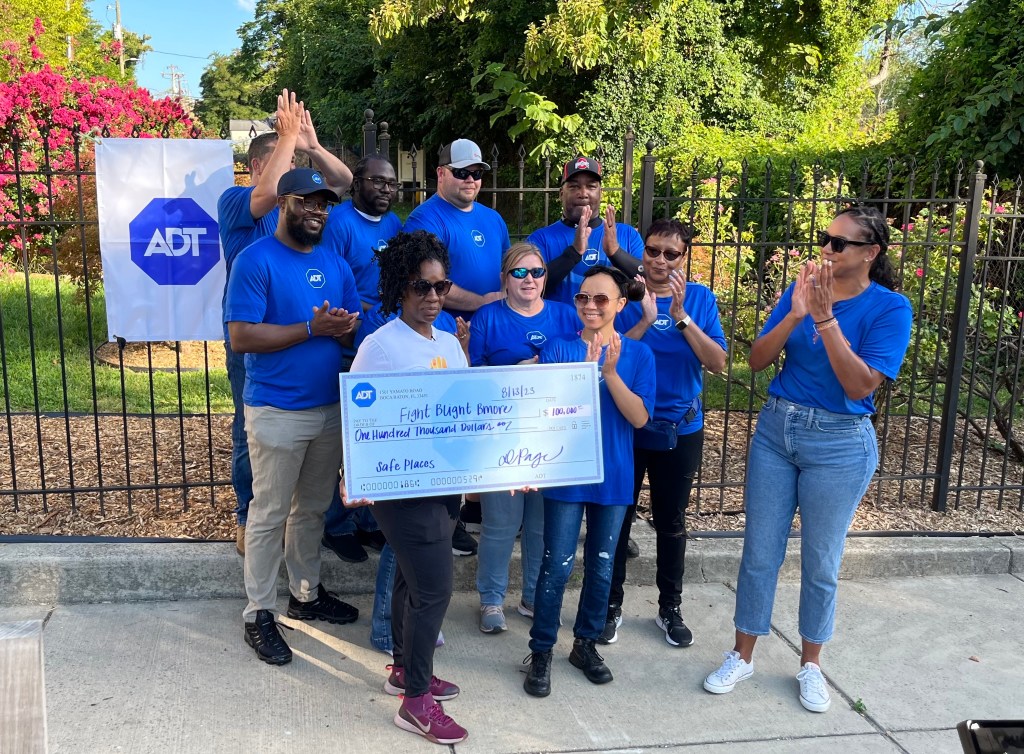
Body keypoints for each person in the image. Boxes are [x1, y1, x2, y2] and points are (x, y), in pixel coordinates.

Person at [702, 206, 912, 713]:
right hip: (778, 429)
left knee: (821, 561)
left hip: (839, 442)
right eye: (825, 239)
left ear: (870, 253)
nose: (827, 249)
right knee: (759, 553)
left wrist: (824, 318)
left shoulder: (890, 308)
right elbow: (756, 360)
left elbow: (861, 384)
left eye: (839, 243)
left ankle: (811, 664)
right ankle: (742, 653)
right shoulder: (801, 290)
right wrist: (797, 312)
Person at [224, 168, 362, 666]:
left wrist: (346, 327)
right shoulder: (255, 259)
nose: (317, 211)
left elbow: (345, 330)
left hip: (327, 408)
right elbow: (241, 336)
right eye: (306, 201)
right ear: (284, 202)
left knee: (312, 509)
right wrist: (311, 327)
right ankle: (258, 613)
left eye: (324, 203)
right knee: (269, 514)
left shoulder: (333, 259)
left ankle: (305, 595)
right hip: (277, 409)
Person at [217, 89, 353, 556]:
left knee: (310, 442)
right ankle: (247, 515)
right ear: (261, 164)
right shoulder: (236, 202)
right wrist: (286, 138)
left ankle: (299, 530)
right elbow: (269, 194)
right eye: (285, 160)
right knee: (248, 429)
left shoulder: (305, 210)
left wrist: (310, 146)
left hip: (309, 342)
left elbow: (344, 180)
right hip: (256, 334)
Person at [347, 230, 469, 745]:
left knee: (408, 584)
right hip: (402, 492)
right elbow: (358, 418)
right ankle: (415, 702)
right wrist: (352, 477)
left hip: (445, 485)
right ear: (401, 287)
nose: (433, 297)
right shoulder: (380, 346)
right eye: (422, 287)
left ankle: (403, 669)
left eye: (440, 287)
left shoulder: (448, 344)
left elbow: (467, 413)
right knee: (434, 589)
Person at [522, 266, 655, 698]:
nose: (591, 306)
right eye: (583, 298)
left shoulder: (639, 356)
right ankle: (541, 649)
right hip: (564, 474)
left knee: (601, 564)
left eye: (601, 299)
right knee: (556, 565)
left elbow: (638, 417)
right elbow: (537, 413)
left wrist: (610, 373)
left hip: (613, 475)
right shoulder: (559, 350)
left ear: (621, 304)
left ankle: (585, 643)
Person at [601, 219, 728, 647]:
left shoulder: (701, 299)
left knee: (671, 523)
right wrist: (643, 321)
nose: (659, 260)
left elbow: (718, 363)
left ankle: (669, 607)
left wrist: (682, 319)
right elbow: (605, 355)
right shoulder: (625, 298)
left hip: (680, 427)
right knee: (617, 518)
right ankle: (610, 604)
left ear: (684, 256)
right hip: (628, 425)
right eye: (652, 251)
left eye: (670, 254)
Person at [404, 138, 511, 556]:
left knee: (478, 426)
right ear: (441, 174)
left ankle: (472, 507)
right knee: (444, 428)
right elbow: (426, 285)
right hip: (443, 335)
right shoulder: (425, 219)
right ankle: (446, 523)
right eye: (463, 172)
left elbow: (505, 272)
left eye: (477, 173)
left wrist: (497, 306)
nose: (471, 180)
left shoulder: (493, 219)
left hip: (485, 336)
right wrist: (482, 302)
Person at [468, 242, 579, 633]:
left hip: (551, 438)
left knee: (541, 525)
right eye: (519, 272)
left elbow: (584, 364)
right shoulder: (486, 318)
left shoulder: (567, 316)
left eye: (536, 272)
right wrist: (515, 372)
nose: (529, 279)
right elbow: (473, 378)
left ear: (546, 278)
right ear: (505, 279)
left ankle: (534, 596)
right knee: (500, 523)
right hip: (503, 438)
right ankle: (491, 599)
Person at [316, 154, 403, 564]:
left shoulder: (395, 225)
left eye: (392, 184)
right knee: (341, 442)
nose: (386, 189)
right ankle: (337, 525)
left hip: (386, 341)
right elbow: (328, 277)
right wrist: (361, 311)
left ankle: (370, 521)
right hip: (348, 341)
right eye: (378, 182)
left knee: (374, 434)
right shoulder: (338, 224)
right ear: (357, 185)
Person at [526, 156, 644, 306]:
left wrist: (615, 252)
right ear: (561, 193)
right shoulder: (540, 239)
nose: (583, 193)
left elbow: (649, 280)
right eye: (574, 187)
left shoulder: (627, 234)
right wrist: (574, 253)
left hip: (613, 329)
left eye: (591, 186)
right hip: (560, 328)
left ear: (601, 192)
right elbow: (529, 288)